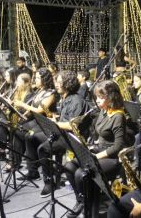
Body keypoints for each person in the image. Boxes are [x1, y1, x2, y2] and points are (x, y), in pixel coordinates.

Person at [65, 80, 133, 218]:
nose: (97, 100)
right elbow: (99, 134)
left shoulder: (118, 116)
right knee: (69, 166)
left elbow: (118, 146)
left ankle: (90, 208)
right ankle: (83, 200)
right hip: (99, 150)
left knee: (82, 174)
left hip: (112, 157)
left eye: (101, 97)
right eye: (97, 97)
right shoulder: (104, 111)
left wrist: (96, 156)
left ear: (111, 97)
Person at [32, 70, 90, 198]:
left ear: (67, 83)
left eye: (59, 82)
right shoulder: (66, 98)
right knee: (36, 139)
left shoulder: (75, 100)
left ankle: (49, 183)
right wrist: (55, 119)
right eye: (56, 82)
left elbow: (71, 125)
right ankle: (51, 175)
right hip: (63, 134)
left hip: (72, 139)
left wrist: (54, 124)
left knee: (43, 149)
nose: (56, 84)